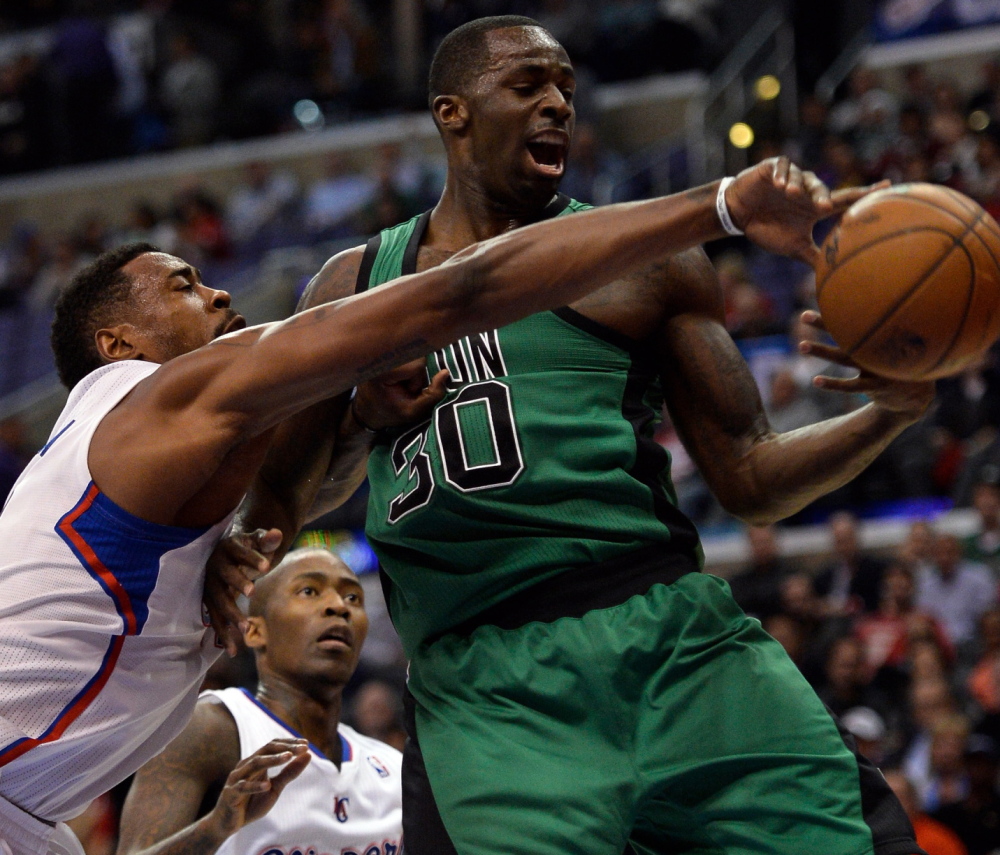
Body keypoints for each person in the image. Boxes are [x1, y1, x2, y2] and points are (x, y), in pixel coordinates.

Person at [0, 135, 853, 855]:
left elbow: (290, 495)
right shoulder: (157, 400)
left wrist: (366, 417)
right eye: (183, 285)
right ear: (118, 344)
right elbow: (459, 292)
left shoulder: (143, 469)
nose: (219, 290)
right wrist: (721, 208)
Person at [222, 15, 935, 855]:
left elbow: (750, 475)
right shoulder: (352, 283)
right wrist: (360, 419)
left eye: (564, 86)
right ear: (452, 112)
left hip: (667, 629)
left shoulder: (651, 262)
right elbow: (284, 497)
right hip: (486, 677)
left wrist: (891, 411)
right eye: (527, 87)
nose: (557, 103)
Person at [116, 548, 402, 855]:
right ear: (254, 631)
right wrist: (216, 828)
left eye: (353, 598)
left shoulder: (392, 765)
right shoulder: (211, 728)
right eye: (309, 591)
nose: (338, 606)